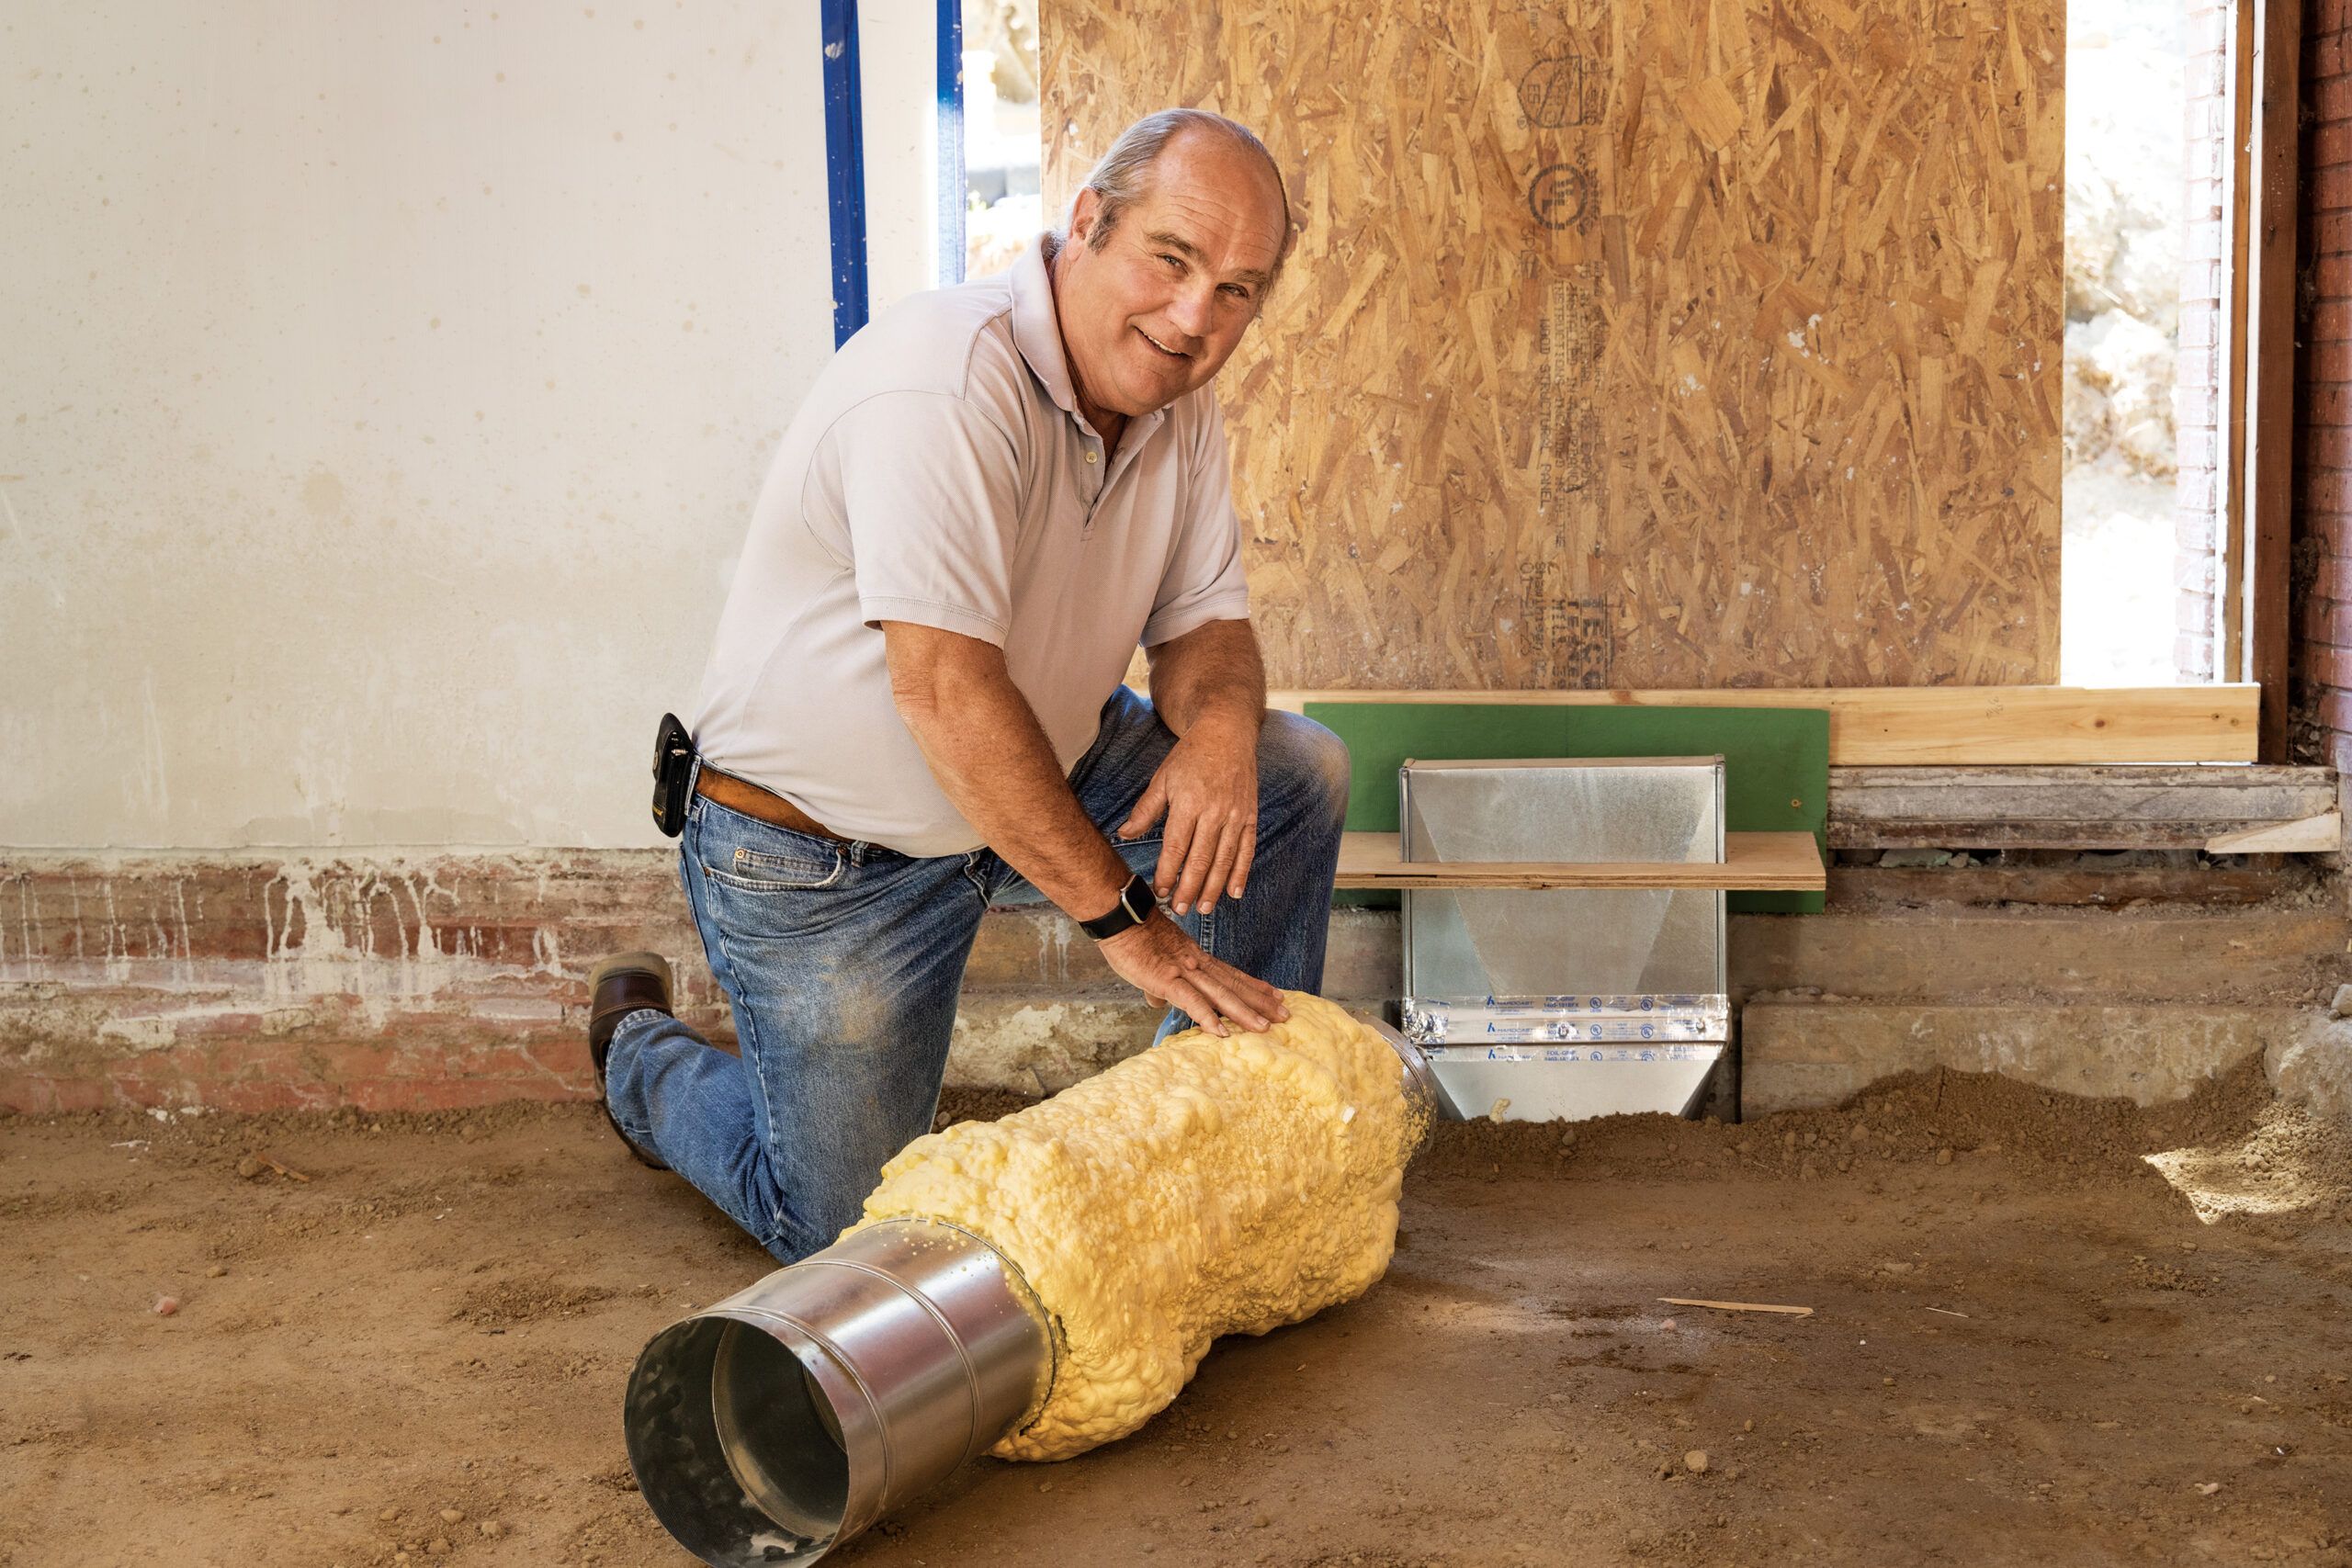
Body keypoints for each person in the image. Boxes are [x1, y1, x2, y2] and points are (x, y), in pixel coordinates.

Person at [585, 108, 1353, 1263]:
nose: (1195, 321)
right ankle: (639, 1056)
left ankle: (1217, 1142)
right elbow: (946, 692)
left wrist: (1218, 735)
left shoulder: (1176, 408)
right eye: (1172, 260)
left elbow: (1205, 631)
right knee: (847, 1234)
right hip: (820, 855)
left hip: (1036, 778)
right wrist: (1136, 930)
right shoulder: (940, 384)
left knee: (1292, 770)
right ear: (1087, 221)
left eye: (1238, 291)